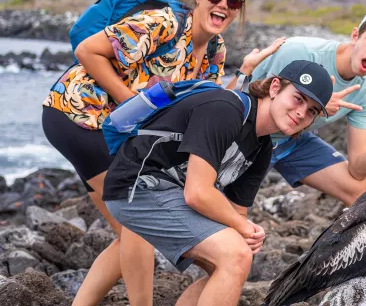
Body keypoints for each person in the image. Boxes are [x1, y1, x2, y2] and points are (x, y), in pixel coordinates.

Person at [41, 0, 284, 306]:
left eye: (234, 2)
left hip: (113, 131)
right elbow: (87, 52)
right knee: (135, 224)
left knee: (125, 229)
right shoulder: (165, 23)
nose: (224, 5)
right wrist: (134, 105)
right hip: (78, 114)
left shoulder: (216, 51)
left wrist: (244, 72)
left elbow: (212, 104)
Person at [103, 60, 333, 306]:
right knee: (234, 256)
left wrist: (246, 232)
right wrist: (243, 229)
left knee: (231, 258)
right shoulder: (227, 110)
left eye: (312, 111)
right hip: (137, 187)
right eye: (298, 99)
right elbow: (197, 193)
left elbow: (237, 214)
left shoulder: (262, 147)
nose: (301, 113)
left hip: (170, 192)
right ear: (275, 88)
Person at [238, 7, 366, 206]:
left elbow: (358, 169)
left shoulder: (364, 91)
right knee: (222, 214)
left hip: (292, 141)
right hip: (249, 135)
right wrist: (316, 105)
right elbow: (251, 106)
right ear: (355, 35)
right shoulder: (299, 52)